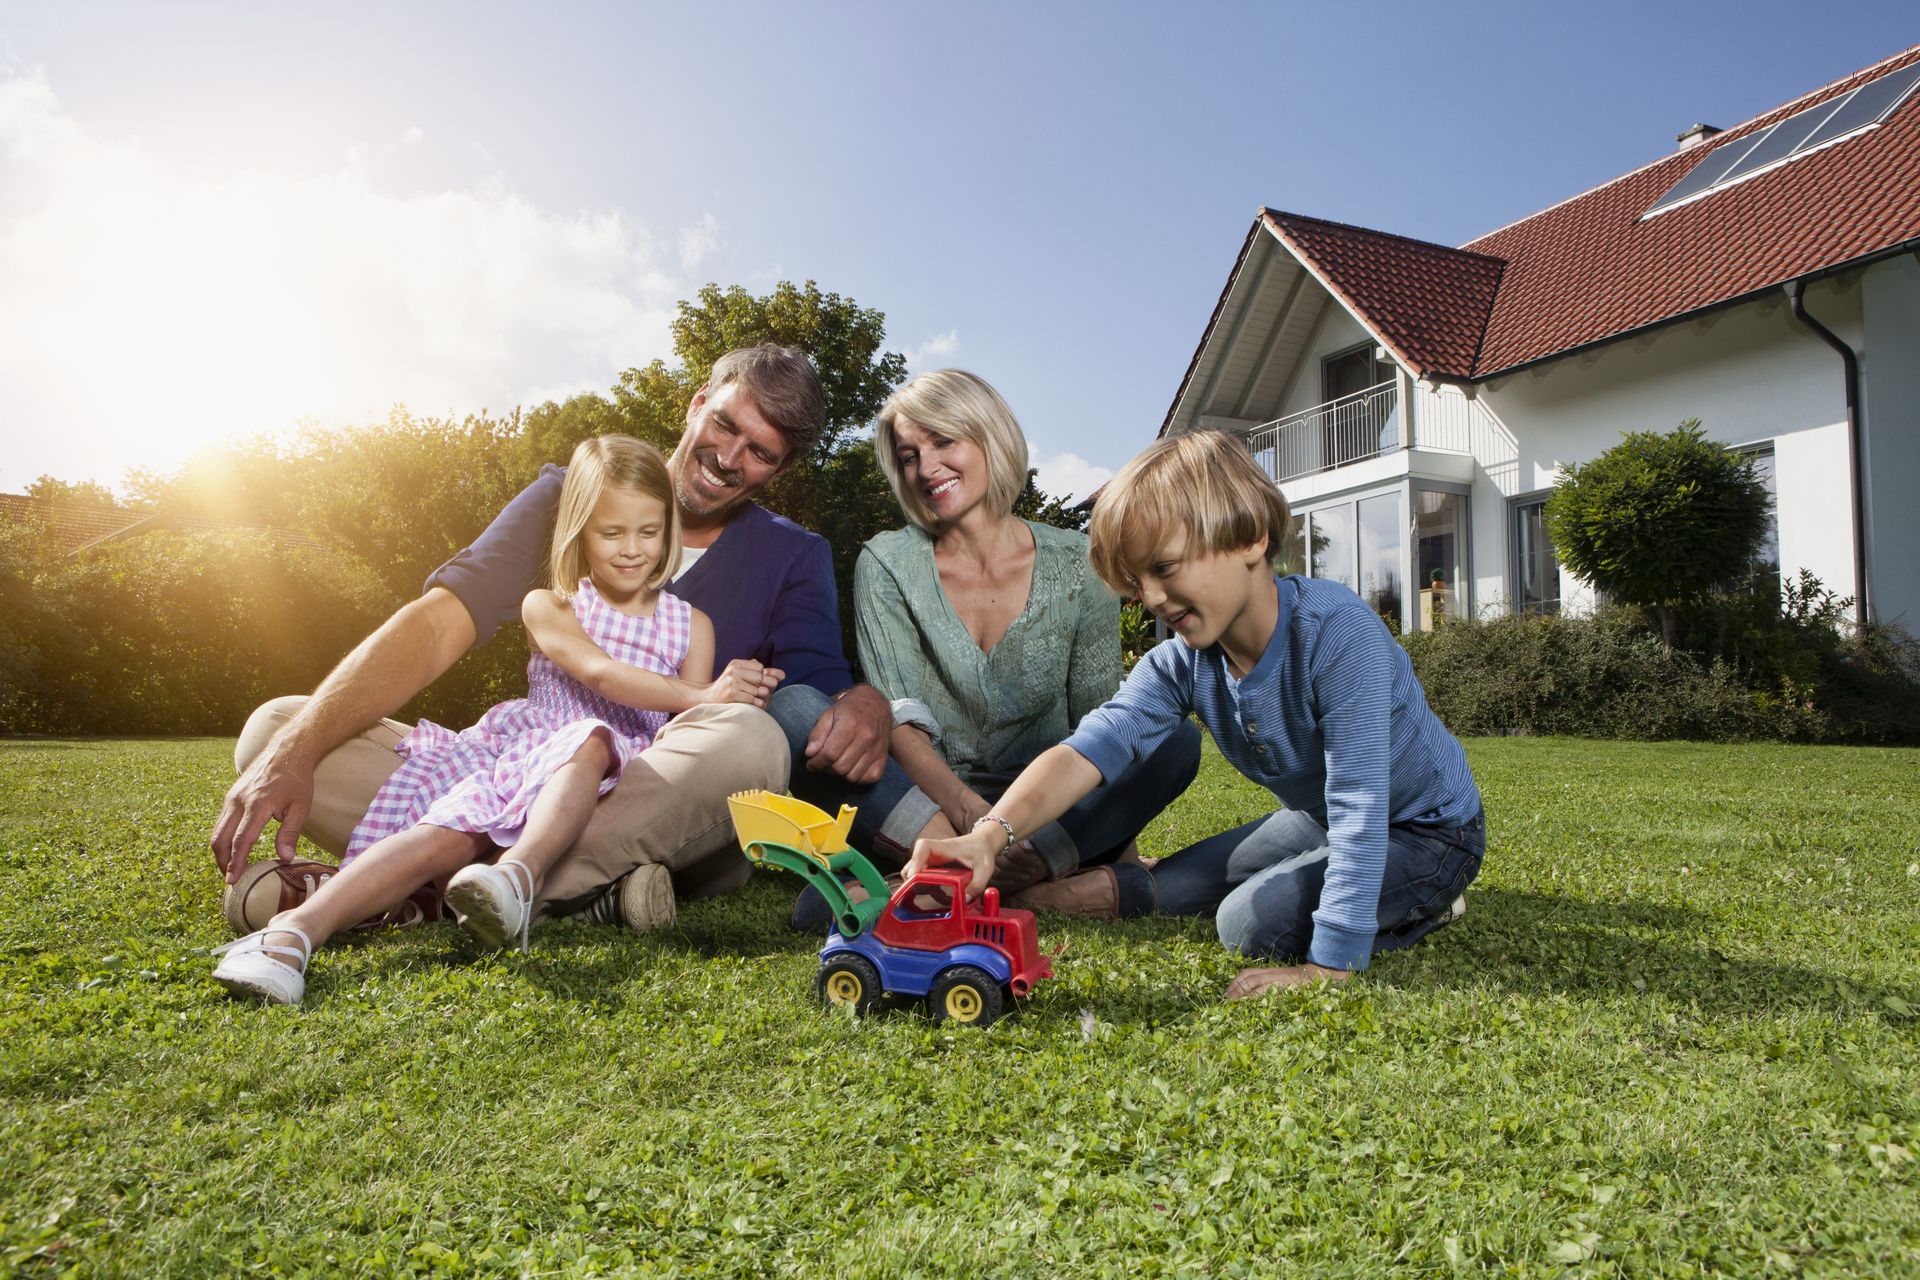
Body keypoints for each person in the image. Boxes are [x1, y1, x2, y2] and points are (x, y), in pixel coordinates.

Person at [210, 345, 892, 933]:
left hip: (654, 789)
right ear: (697, 403)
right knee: (277, 726)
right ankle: (573, 893)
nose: (728, 457)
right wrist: (297, 750)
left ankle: (400, 889)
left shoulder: (792, 554)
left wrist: (868, 701)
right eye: (724, 424)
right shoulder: (567, 494)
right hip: (525, 772)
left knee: (752, 739)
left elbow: (817, 691)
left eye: (760, 452)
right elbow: (444, 618)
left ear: (780, 470)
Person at [908, 431, 1484, 999]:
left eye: (1165, 567)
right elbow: (1091, 747)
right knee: (1171, 886)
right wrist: (987, 837)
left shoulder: (1339, 635)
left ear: (1251, 538)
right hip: (1319, 816)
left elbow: (1361, 802)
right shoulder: (1182, 662)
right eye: (1138, 580)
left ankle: (1427, 905)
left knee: (1250, 925)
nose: (1153, 597)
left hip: (1428, 830)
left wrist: (1330, 965)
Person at [214, 437, 773, 1003]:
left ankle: (497, 884)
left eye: (648, 533)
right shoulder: (550, 604)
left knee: (603, 746)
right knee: (452, 828)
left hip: (623, 786)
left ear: (668, 533)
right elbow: (599, 674)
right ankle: (294, 933)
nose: (632, 550)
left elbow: (684, 723)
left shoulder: (692, 625)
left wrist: (724, 696)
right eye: (612, 533)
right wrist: (709, 691)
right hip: (533, 751)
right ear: (579, 532)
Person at [784, 369, 1197, 923]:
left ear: (989, 436)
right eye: (909, 456)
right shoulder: (885, 562)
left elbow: (1103, 724)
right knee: (793, 709)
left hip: (1046, 805)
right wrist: (970, 816)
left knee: (1172, 738)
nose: (926, 468)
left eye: (944, 441)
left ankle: (972, 882)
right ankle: (1009, 880)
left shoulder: (1080, 562)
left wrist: (1104, 834)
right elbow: (899, 721)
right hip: (925, 806)